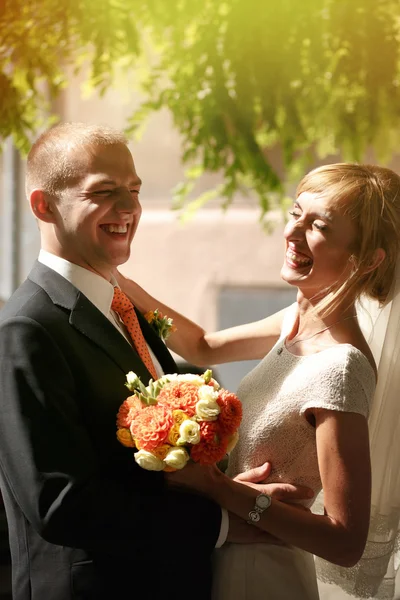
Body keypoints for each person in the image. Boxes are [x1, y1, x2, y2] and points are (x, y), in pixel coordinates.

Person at [0, 122, 311, 600]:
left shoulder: (121, 304)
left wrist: (225, 486)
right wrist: (224, 522)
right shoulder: (27, 331)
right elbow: (61, 504)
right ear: (44, 205)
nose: (129, 209)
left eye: (135, 190)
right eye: (104, 192)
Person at [117, 163, 400, 599]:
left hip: (264, 571)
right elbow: (205, 346)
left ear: (365, 260)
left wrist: (216, 486)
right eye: (295, 214)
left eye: (318, 225)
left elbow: (345, 542)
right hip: (227, 555)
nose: (293, 233)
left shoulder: (341, 368)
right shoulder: (295, 322)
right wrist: (116, 283)